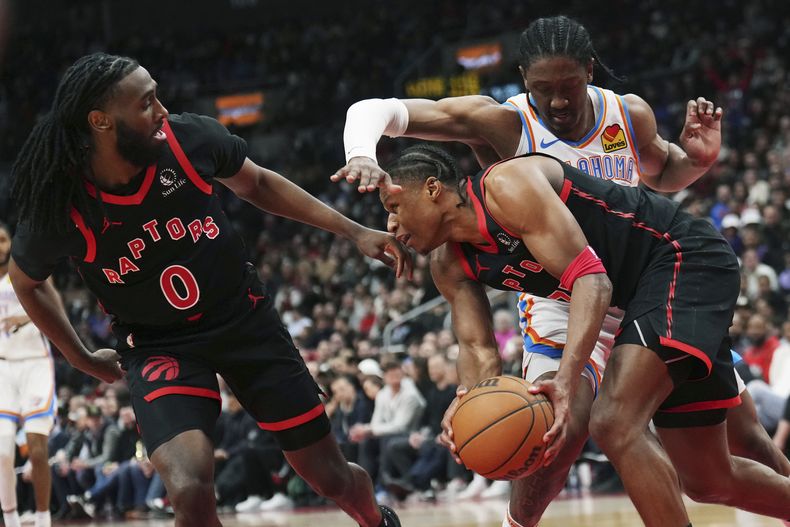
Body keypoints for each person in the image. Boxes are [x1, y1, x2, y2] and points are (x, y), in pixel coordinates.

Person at [331, 15, 790, 525]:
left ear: (590, 71)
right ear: (523, 81)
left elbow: (661, 172)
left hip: (656, 268)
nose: (557, 102)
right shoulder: (501, 126)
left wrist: (696, 162)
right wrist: (469, 403)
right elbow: (374, 109)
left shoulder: (623, 114)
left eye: (568, 86)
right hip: (563, 298)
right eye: (541, 89)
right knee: (561, 431)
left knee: (729, 442)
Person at [8, 52, 405, 527]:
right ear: (101, 121)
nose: (162, 110)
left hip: (244, 319)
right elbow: (27, 282)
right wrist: (80, 357)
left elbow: (258, 184)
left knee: (330, 476)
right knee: (190, 491)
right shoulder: (63, 203)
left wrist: (353, 231)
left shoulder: (189, 139)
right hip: (159, 344)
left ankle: (377, 521)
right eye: (146, 103)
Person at [371, 144, 790, 526]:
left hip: (681, 256)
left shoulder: (505, 187)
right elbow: (478, 349)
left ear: (432, 189)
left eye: (393, 206)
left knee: (612, 421)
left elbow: (593, 282)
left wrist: (567, 379)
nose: (390, 224)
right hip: (641, 300)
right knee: (708, 480)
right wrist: (467, 402)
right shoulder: (448, 264)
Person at [0, 223, 54, 527]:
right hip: (3, 367)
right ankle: (11, 519)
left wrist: (22, 317)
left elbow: (53, 306)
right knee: (2, 449)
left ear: (11, 242)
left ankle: (44, 518)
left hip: (35, 364)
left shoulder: (27, 269)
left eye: (2, 239)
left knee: (36, 447)